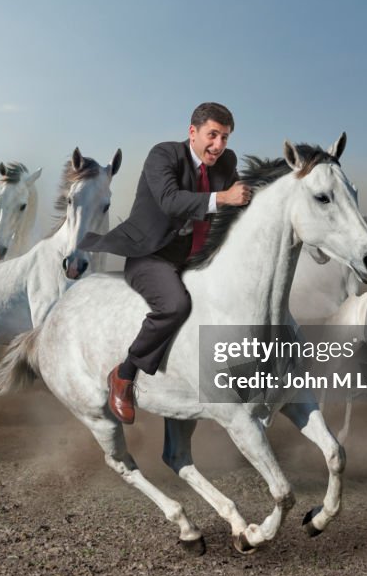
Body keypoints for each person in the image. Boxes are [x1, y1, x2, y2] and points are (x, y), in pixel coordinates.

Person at [80, 102, 251, 423]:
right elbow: (170, 201)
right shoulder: (163, 155)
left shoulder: (226, 161)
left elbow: (240, 200)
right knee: (175, 306)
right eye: (212, 135)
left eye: (225, 137)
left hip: (199, 256)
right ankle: (124, 374)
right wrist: (224, 198)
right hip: (151, 255)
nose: (218, 145)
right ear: (193, 132)